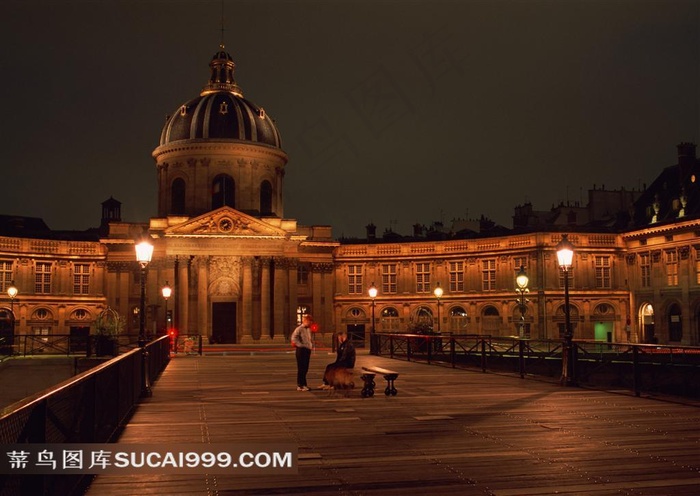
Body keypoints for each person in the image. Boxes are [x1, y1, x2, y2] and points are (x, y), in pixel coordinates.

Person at [291, 315, 314, 391]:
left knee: (305, 368)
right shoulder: (299, 329)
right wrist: (301, 345)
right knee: (302, 368)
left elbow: (308, 339)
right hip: (301, 350)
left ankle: (301, 384)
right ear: (306, 321)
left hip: (307, 350)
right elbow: (294, 338)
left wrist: (310, 345)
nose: (311, 323)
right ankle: (302, 385)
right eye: (310, 321)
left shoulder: (308, 329)